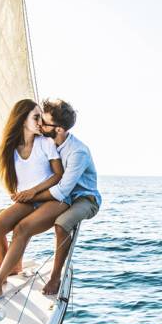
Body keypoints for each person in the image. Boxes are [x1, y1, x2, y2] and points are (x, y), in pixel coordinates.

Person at [0, 99, 69, 305]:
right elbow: (11, 179)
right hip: (28, 201)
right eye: (36, 117)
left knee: (22, 229)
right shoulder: (12, 148)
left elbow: (58, 175)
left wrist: (33, 191)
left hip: (52, 198)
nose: (40, 122)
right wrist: (18, 195)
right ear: (21, 119)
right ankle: (7, 271)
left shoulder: (45, 143)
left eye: (41, 117)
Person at [17, 98, 101, 297]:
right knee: (18, 221)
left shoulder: (77, 152)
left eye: (45, 123)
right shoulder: (47, 142)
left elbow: (63, 190)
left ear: (60, 130)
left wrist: (31, 196)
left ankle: (55, 277)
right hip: (61, 196)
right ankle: (13, 268)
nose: (40, 125)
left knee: (62, 224)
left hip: (84, 198)